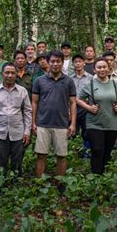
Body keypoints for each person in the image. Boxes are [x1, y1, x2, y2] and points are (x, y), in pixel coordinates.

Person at [32, 50, 77, 178]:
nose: (55, 64)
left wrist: (72, 124)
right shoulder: (39, 81)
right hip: (43, 124)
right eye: (52, 61)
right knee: (41, 155)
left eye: (58, 61)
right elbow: (34, 102)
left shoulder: (68, 81)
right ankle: (39, 184)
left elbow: (73, 103)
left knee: (61, 156)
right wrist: (33, 122)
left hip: (61, 124)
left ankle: (61, 185)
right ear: (48, 62)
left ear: (62, 63)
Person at [77, 57, 117, 174]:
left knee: (107, 151)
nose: (102, 69)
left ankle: (104, 176)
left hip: (111, 123)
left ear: (109, 69)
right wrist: (89, 107)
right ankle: (95, 176)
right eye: (99, 67)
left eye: (104, 67)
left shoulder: (114, 84)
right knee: (97, 150)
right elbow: (78, 99)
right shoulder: (91, 84)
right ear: (94, 69)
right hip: (94, 123)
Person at [0, 63, 32, 176]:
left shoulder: (22, 91)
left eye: (13, 73)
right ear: (2, 74)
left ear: (16, 74)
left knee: (17, 164)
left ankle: (16, 188)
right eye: (7, 73)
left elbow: (27, 111)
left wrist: (27, 132)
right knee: (0, 164)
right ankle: (1, 187)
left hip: (18, 133)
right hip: (0, 133)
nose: (10, 75)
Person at [71, 53, 93, 157]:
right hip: (72, 108)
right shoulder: (69, 79)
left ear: (84, 63)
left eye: (80, 61)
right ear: (73, 64)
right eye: (76, 62)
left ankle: (86, 154)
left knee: (87, 132)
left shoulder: (91, 78)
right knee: (72, 131)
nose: (78, 64)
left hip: (86, 108)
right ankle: (73, 155)